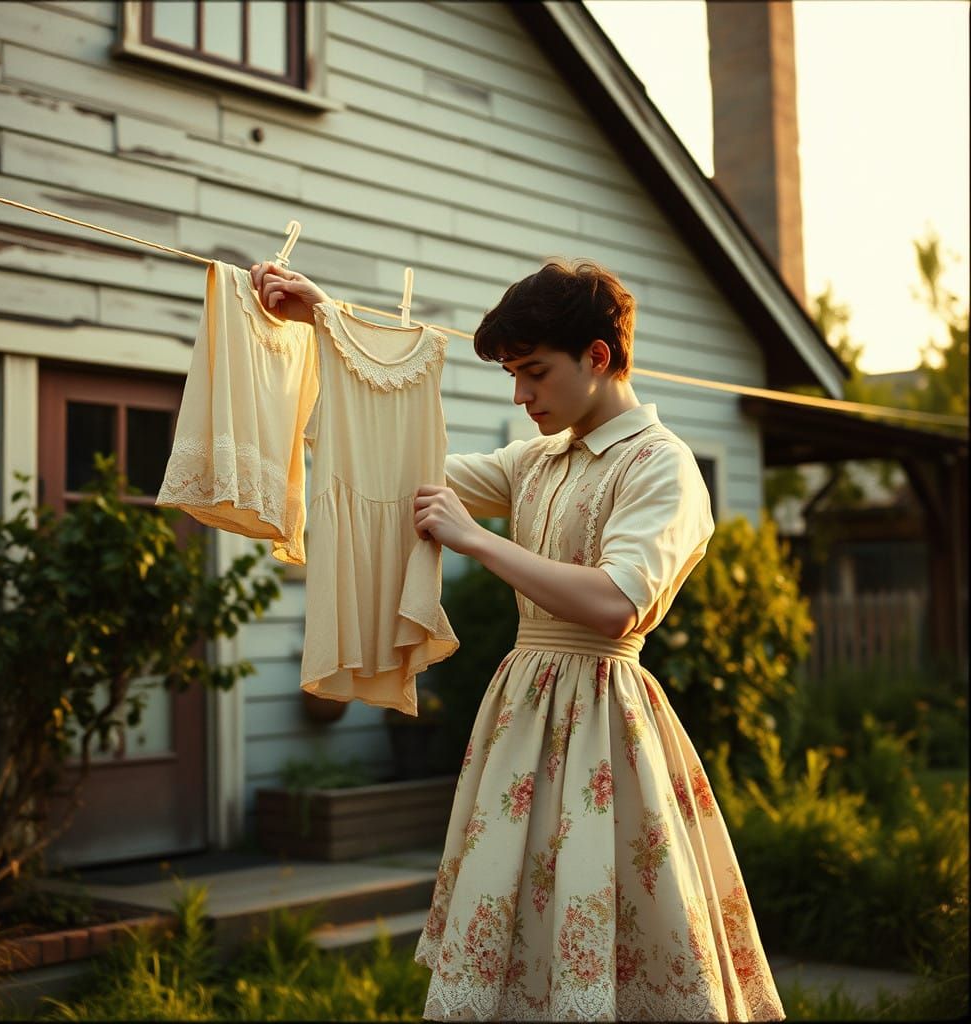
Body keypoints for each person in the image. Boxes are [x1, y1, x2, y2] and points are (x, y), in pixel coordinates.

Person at [250, 258, 785, 1022]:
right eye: (513, 374)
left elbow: (616, 604)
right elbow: (399, 466)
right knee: (517, 931)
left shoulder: (662, 466)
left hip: (605, 723)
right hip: (522, 718)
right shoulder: (537, 459)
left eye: (533, 372)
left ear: (597, 357)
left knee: (609, 931)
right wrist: (328, 324)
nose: (520, 395)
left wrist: (477, 542)